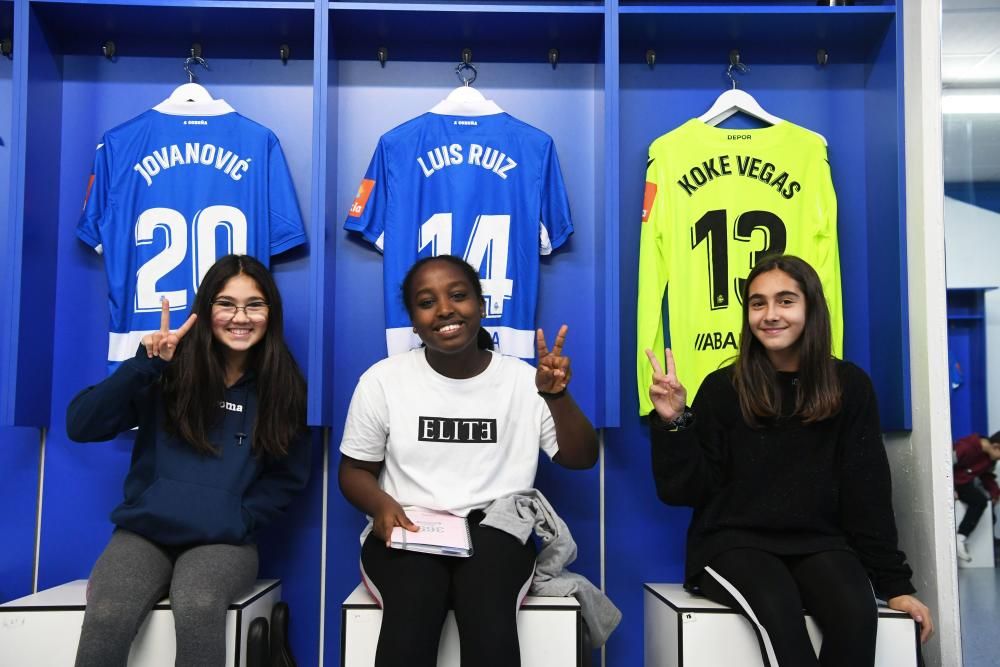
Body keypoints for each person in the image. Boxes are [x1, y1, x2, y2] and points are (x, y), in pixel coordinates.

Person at [645, 254, 933, 666]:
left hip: (821, 544)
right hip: (731, 543)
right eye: (757, 303)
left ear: (810, 308)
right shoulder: (723, 387)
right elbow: (684, 491)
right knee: (781, 619)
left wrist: (896, 584)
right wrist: (675, 422)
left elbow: (866, 493)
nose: (769, 314)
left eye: (785, 301)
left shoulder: (849, 386)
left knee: (856, 616)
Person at [338, 254, 598, 667]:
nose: (444, 309)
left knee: (489, 616)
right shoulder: (382, 380)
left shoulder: (522, 380)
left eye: (458, 295)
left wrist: (556, 396)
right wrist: (381, 505)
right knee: (413, 607)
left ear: (481, 305)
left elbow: (582, 458)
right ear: (413, 319)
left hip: (495, 529)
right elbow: (354, 471)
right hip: (410, 527)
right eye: (427, 302)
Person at [67, 254, 310, 667]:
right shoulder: (167, 370)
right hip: (144, 534)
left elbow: (287, 478)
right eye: (226, 304)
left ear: (271, 313)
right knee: (107, 613)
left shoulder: (284, 387)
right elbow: (82, 425)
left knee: (198, 604)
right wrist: (142, 366)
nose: (241, 317)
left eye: (254, 304)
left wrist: (238, 516)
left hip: (223, 540)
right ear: (206, 310)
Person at [952, 432, 1000, 563]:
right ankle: (960, 537)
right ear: (996, 447)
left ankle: (962, 538)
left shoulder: (990, 459)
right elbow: (946, 464)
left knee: (988, 511)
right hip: (954, 483)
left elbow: (987, 477)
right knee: (979, 502)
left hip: (964, 484)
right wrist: (951, 489)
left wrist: (995, 493)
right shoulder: (967, 447)